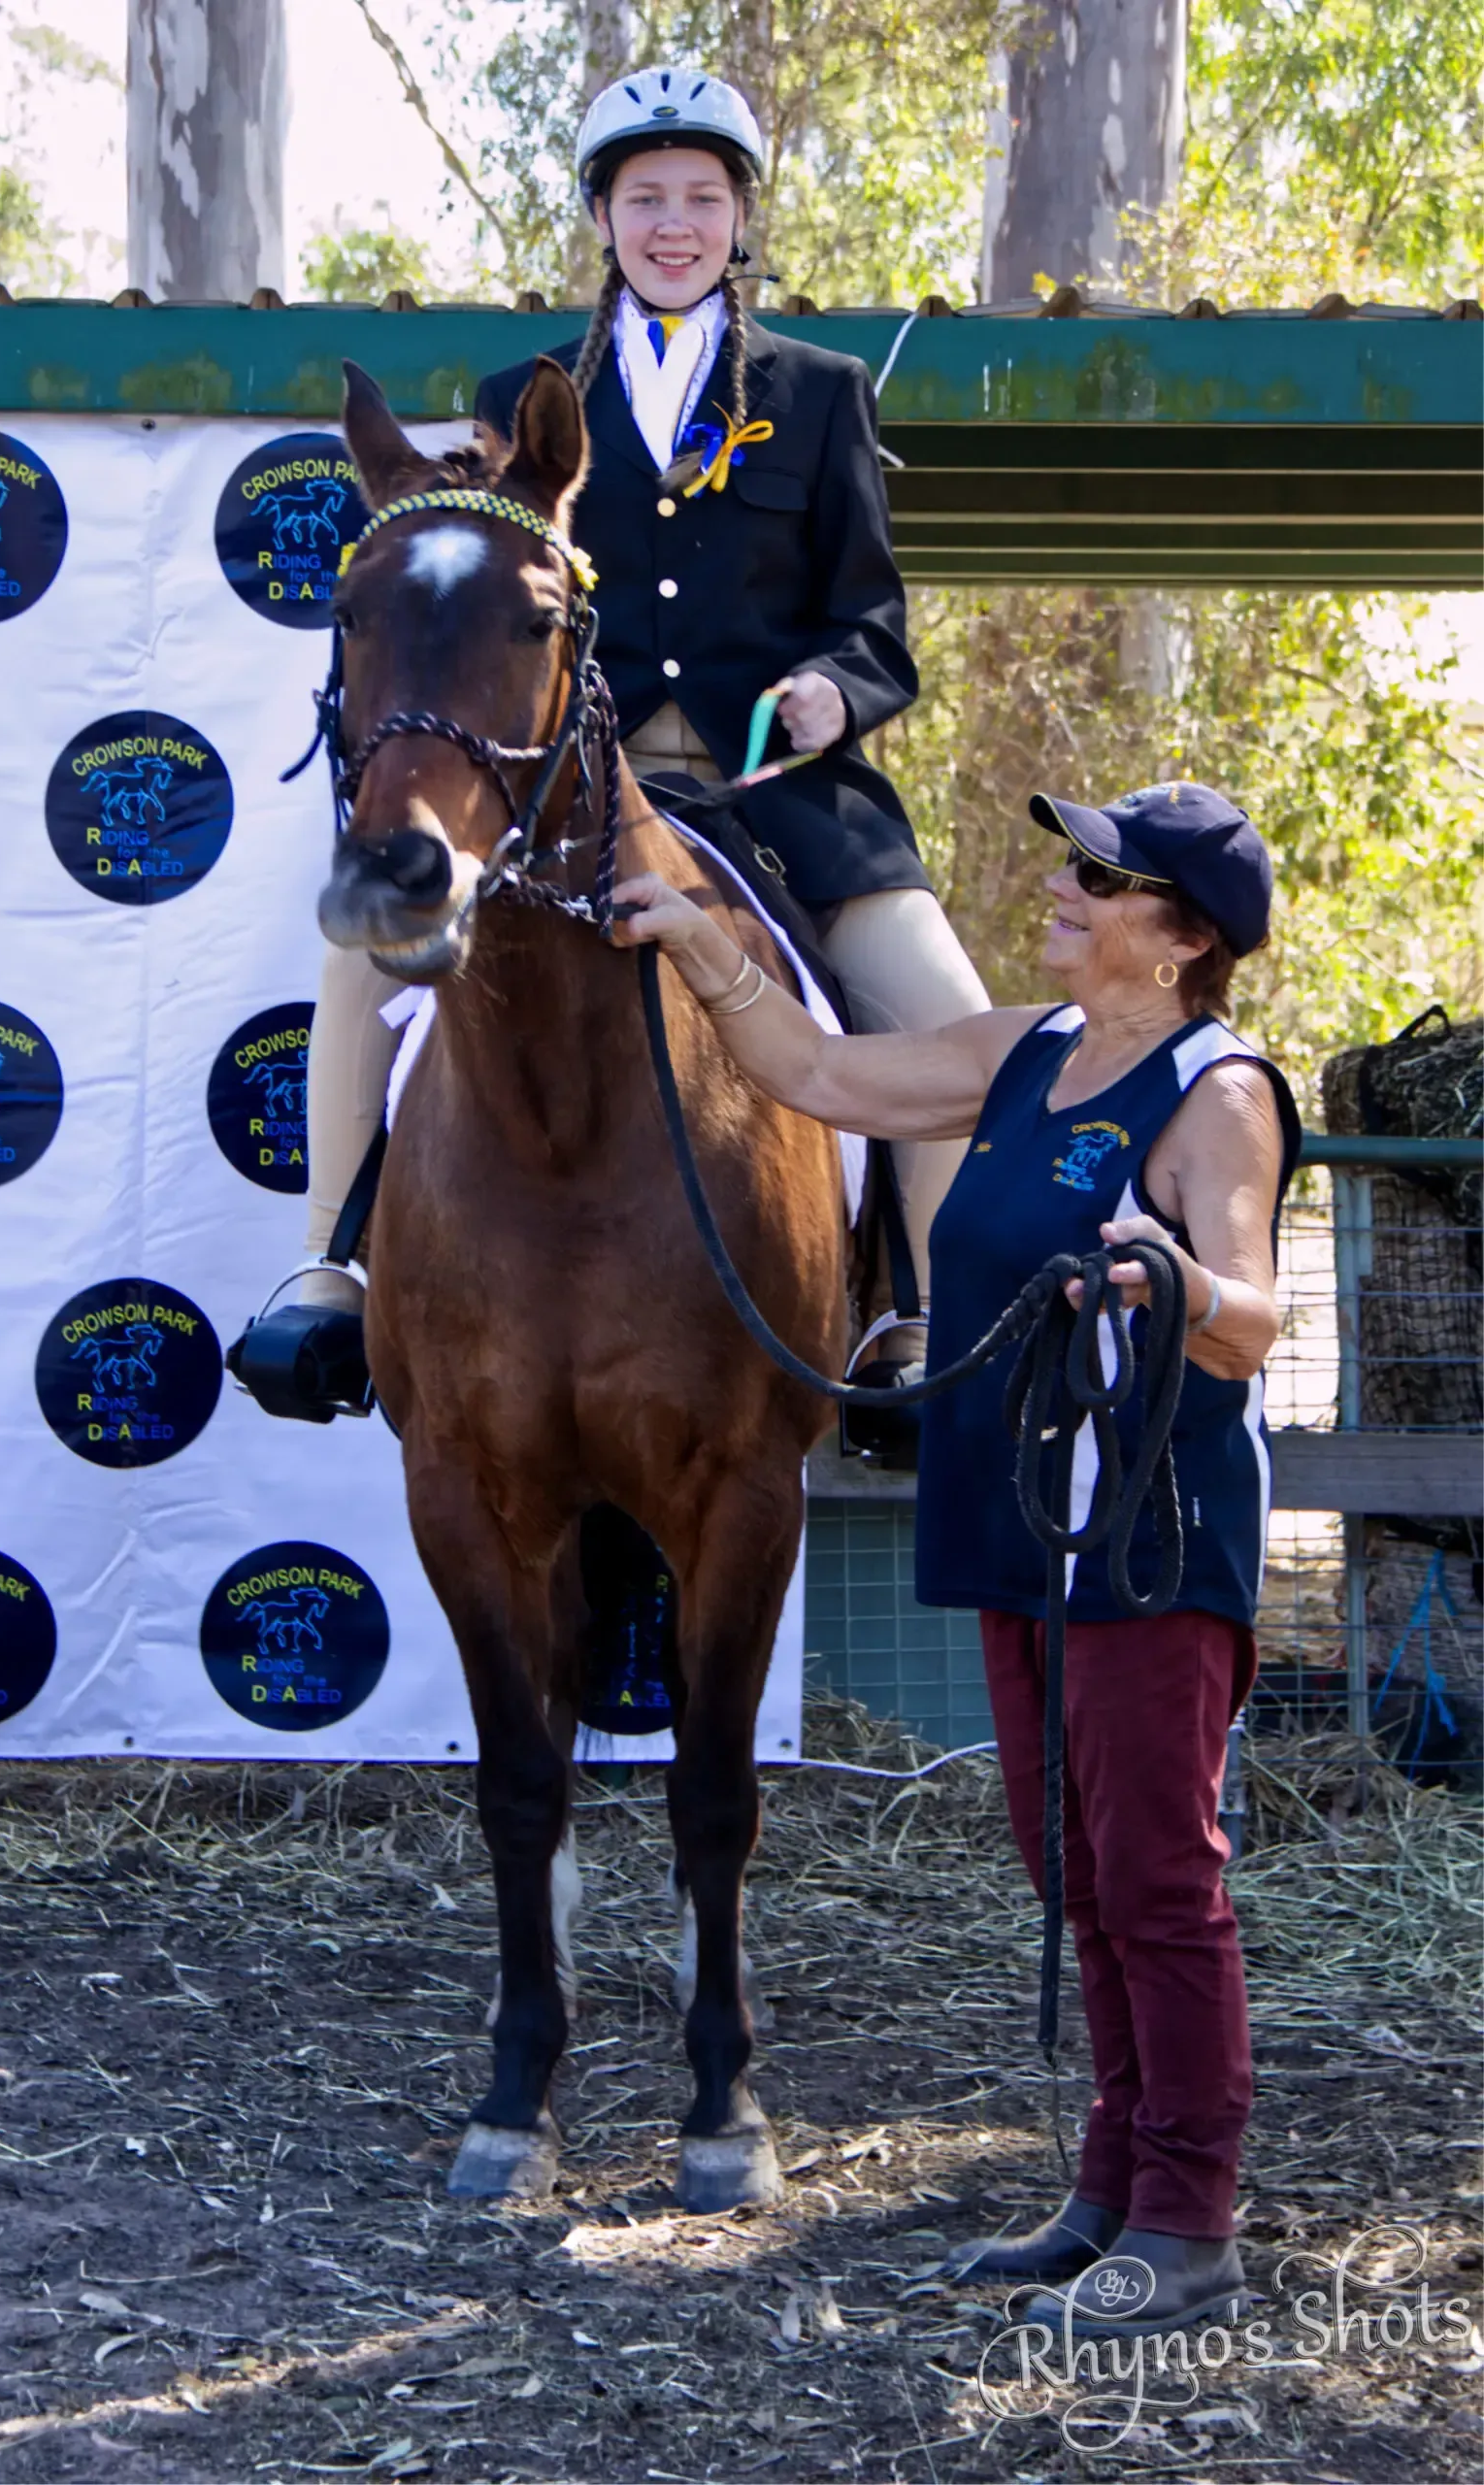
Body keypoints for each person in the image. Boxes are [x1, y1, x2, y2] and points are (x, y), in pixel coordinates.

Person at [612, 780, 1301, 2336]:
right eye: (1069, 863)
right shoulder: (1023, 1051)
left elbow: (1254, 1323)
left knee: (1157, 1878)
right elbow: (816, 1074)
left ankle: (1187, 2221)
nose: (1058, 888)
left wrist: (1170, 1274)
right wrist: (696, 945)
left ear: (1180, 937)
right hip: (1015, 1515)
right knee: (1069, 1868)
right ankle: (1109, 2188)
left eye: (1096, 878)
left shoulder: (1217, 1094)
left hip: (1142, 1528)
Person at [247, 63, 986, 1421]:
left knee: (942, 1011)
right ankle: (326, 1277)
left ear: (737, 217)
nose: (672, 224)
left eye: (700, 198)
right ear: (601, 216)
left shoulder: (816, 395)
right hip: (567, 788)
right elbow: (485, 590)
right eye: (644, 197)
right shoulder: (518, 390)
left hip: (775, 789)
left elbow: (875, 627)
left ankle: (912, 1317)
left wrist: (834, 692)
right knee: (360, 956)